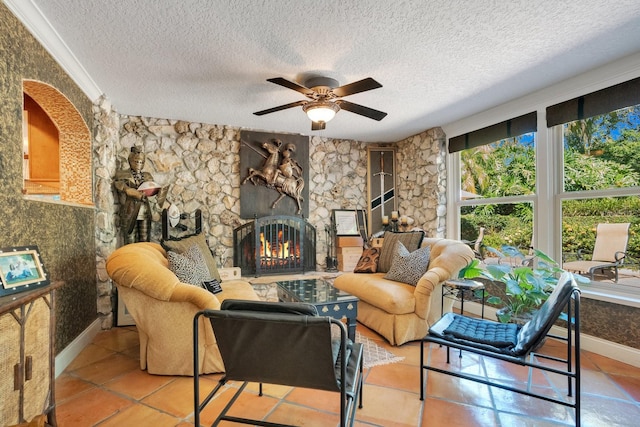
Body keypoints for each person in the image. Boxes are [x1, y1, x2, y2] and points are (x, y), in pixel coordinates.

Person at [114, 147, 166, 244]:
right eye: (136, 161)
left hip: (145, 211)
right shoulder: (123, 174)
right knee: (130, 240)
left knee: (144, 239)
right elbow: (121, 186)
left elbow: (153, 188)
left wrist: (159, 192)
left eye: (141, 162)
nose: (139, 164)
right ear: (130, 161)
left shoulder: (147, 176)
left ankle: (142, 258)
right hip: (130, 211)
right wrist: (132, 192)